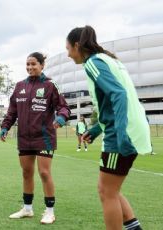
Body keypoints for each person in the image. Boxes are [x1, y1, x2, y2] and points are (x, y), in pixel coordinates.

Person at [66, 25, 152, 230]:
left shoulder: (92, 62)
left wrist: (121, 133)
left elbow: (119, 94)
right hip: (133, 128)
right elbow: (112, 102)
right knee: (111, 189)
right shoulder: (109, 59)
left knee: (107, 192)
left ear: (77, 45)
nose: (68, 54)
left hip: (123, 133)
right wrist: (96, 128)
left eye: (68, 48)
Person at [0, 52, 70, 224]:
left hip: (44, 137)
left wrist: (61, 118)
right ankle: (27, 209)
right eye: (28, 64)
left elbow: (64, 107)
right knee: (26, 173)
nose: (30, 67)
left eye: (34, 64)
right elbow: (12, 112)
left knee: (44, 173)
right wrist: (4, 127)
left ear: (42, 65)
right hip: (24, 137)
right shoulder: (19, 86)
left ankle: (49, 211)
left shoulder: (50, 85)